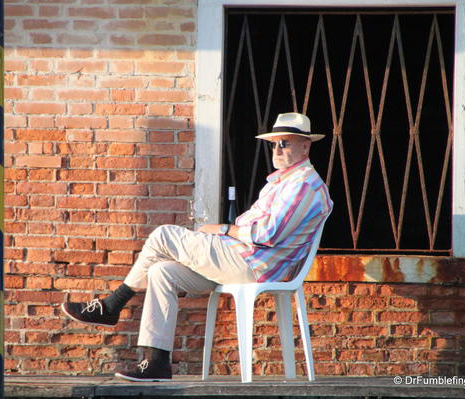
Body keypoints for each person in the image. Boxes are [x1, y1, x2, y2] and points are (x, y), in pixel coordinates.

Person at [62, 112, 333, 382]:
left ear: (305, 145)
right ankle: (155, 362)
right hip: (237, 258)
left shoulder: (304, 185)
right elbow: (253, 229)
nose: (277, 149)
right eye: (274, 144)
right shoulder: (282, 181)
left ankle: (111, 305)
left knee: (163, 235)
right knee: (161, 271)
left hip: (251, 264)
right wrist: (225, 233)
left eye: (284, 143)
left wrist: (222, 229)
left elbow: (267, 234)